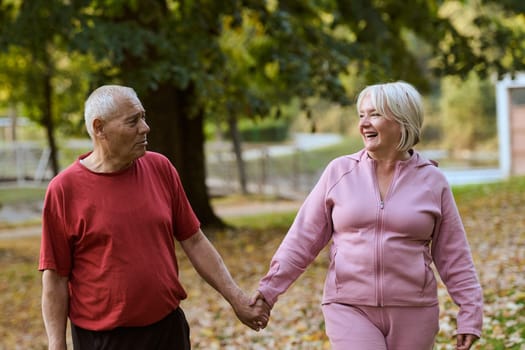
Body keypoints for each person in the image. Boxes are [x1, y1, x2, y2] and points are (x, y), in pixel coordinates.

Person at [252, 81, 483, 350]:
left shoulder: (433, 181)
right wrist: (268, 292)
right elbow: (303, 238)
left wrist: (470, 312)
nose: (364, 123)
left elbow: (454, 254)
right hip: (349, 305)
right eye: (361, 115)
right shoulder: (339, 172)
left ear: (402, 119)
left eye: (374, 114)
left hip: (414, 309)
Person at [39, 85, 270, 350]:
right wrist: (56, 346)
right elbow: (55, 278)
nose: (145, 127)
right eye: (133, 121)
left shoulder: (160, 168)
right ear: (99, 128)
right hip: (103, 339)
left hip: (167, 330)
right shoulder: (64, 190)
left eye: (143, 117)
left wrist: (238, 299)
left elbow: (194, 241)